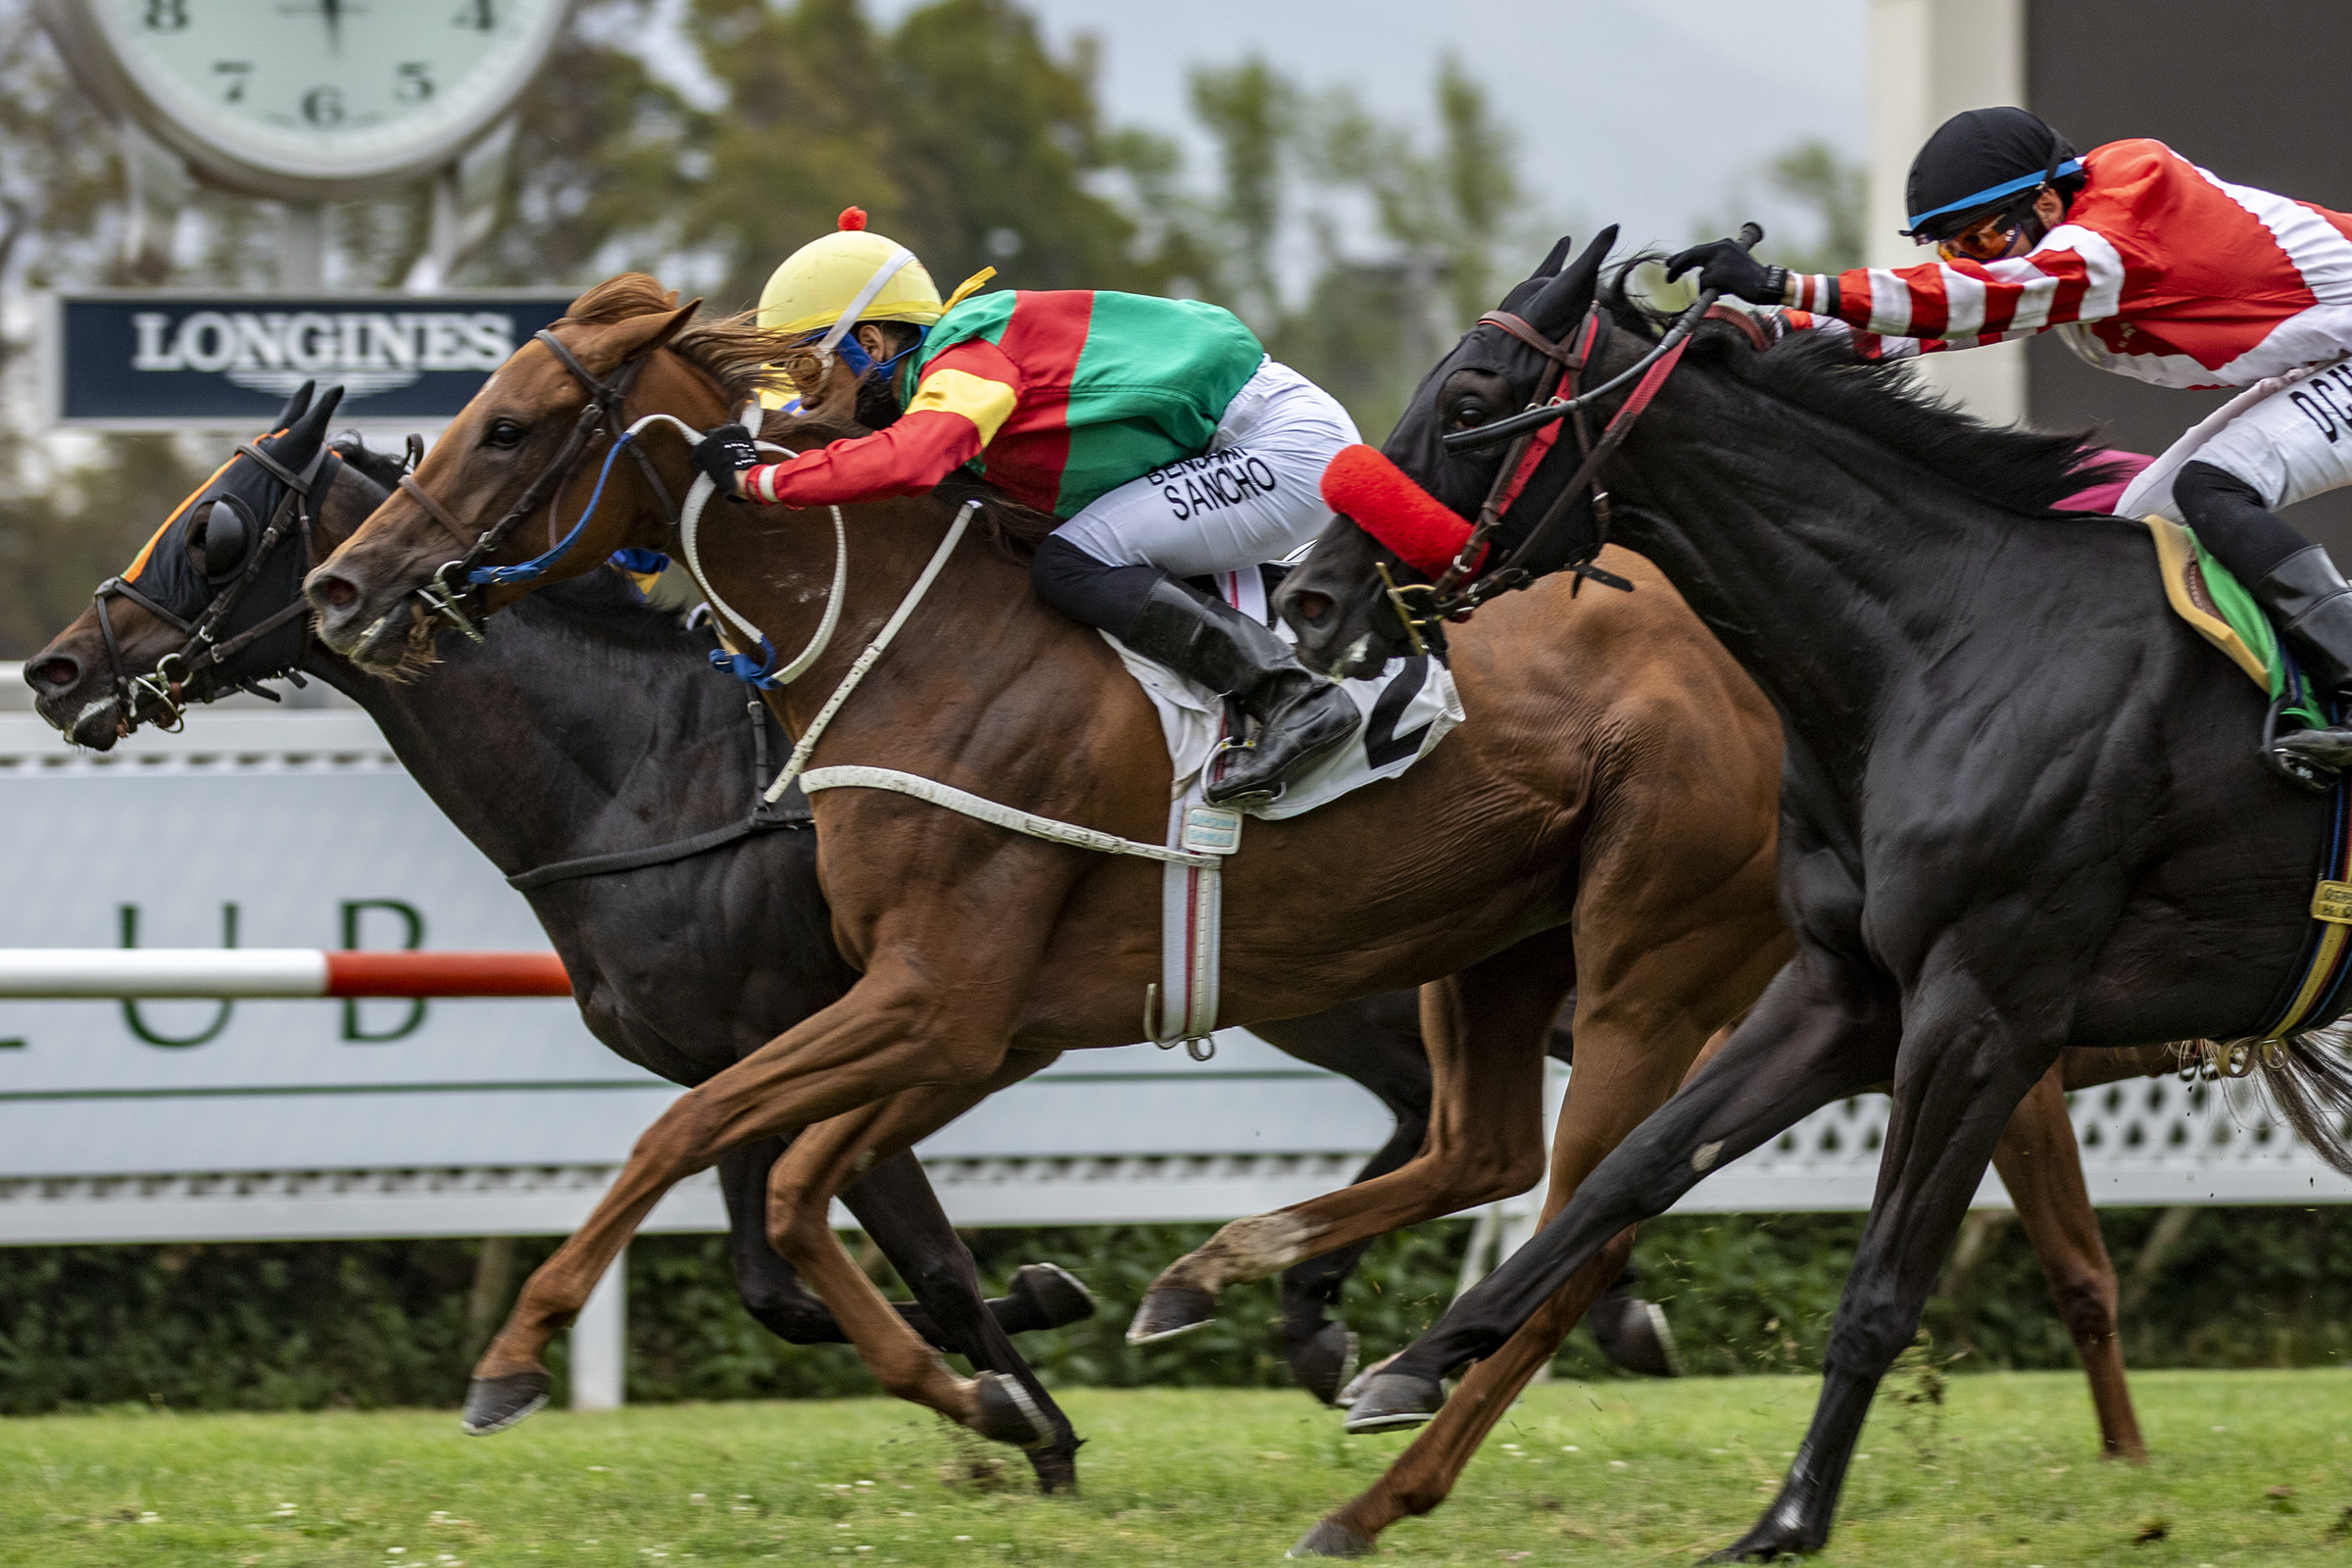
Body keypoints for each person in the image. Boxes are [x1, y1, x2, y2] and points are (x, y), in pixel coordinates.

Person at [1667, 107, 2352, 772]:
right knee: (2142, 532)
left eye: (1984, 240)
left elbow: (1976, 298)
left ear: (2048, 201)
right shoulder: (2067, 244)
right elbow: (1942, 320)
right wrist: (1775, 329)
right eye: (1955, 249)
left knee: (2213, 487)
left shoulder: (2124, 215)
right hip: (2332, 355)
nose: (1974, 260)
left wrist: (1785, 285)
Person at [692, 209, 1362, 807]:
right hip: (1245, 445)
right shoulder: (930, 377)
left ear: (868, 344)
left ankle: (1294, 698)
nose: (800, 398)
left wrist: (763, 482)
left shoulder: (965, 358)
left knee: (1072, 563)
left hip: (1281, 446)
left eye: (803, 370)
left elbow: (910, 460)